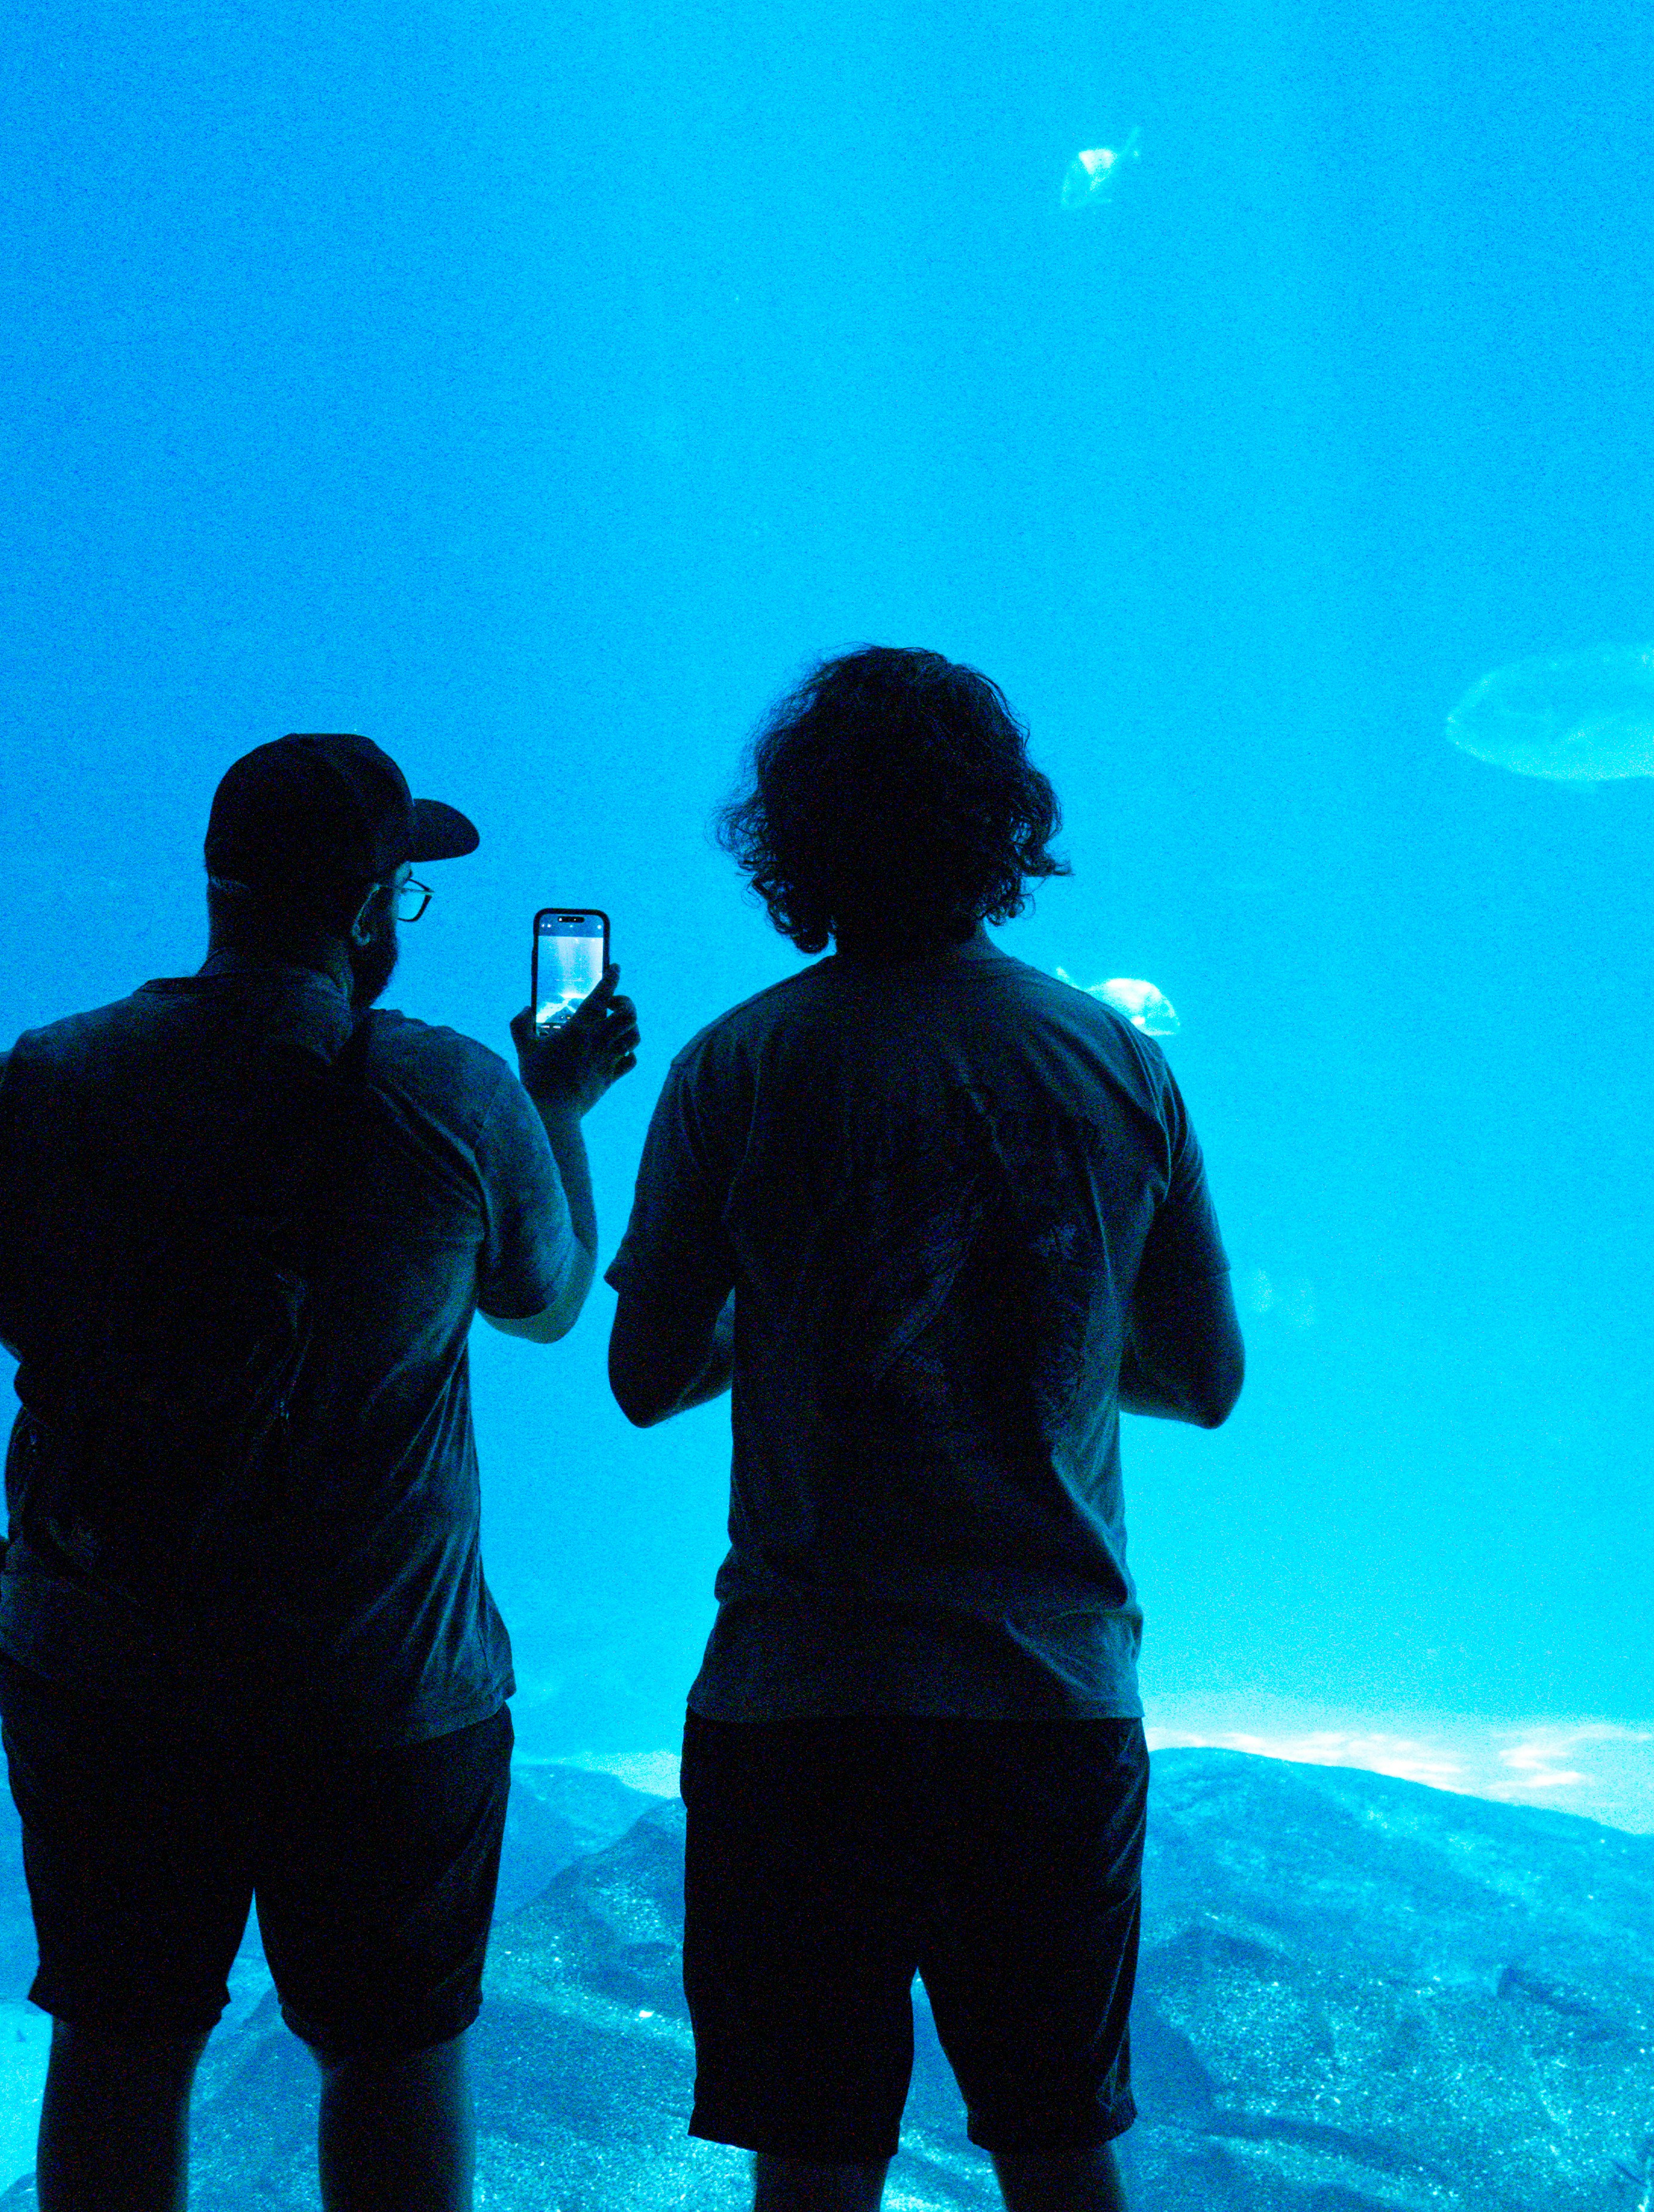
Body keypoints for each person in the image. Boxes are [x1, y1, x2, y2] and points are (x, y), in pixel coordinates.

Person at [0, 732, 640, 2212]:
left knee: (120, 2045)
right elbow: (547, 1302)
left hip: (104, 1672)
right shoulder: (459, 1097)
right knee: (392, 2055)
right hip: (388, 1691)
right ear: (369, 911)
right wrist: (563, 1113)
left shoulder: (54, 1080)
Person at [605, 648, 1241, 2212]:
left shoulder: (735, 1067)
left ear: (795, 837)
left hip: (800, 1703)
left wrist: (811, 1322)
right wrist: (1038, 1359)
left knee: (814, 2161)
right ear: (1002, 827)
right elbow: (1209, 1376)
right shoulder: (1115, 1069)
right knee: (1058, 2148)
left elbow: (641, 1372)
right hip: (1045, 1701)